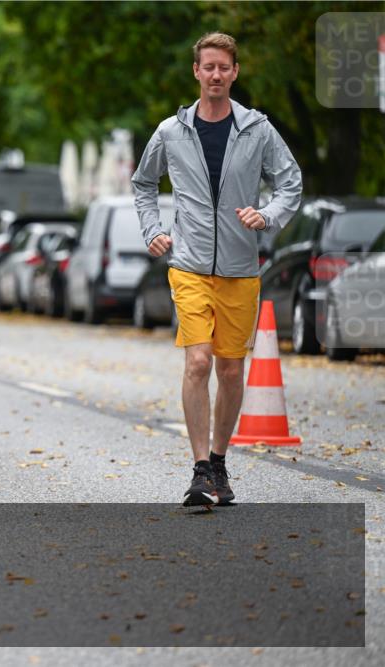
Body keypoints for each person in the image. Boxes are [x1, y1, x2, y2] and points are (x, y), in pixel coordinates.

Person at [132, 32, 302, 507]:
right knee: (198, 361)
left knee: (229, 369)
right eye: (208, 66)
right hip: (188, 264)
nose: (216, 75)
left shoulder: (257, 130)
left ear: (235, 72)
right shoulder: (171, 131)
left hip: (240, 268)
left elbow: (290, 183)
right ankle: (200, 468)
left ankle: (220, 461)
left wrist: (266, 215)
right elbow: (144, 183)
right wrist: (152, 230)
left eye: (224, 67)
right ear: (196, 71)